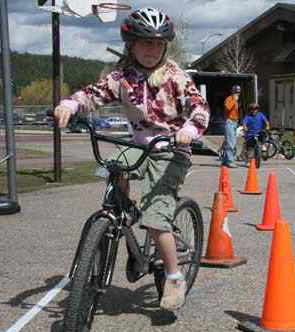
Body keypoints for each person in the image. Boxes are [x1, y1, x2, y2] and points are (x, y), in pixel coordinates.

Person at [53, 7, 210, 311]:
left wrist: (189, 128)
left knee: (156, 215)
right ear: (131, 45)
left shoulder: (175, 77)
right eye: (144, 43)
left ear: (165, 46)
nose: (152, 50)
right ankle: (123, 216)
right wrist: (69, 104)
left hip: (171, 150)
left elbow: (199, 106)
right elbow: (92, 94)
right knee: (111, 169)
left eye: (157, 44)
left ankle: (175, 277)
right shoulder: (122, 77)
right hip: (139, 144)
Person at [222, 84, 242, 168]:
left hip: (235, 122)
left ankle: (225, 161)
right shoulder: (229, 99)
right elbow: (228, 108)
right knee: (231, 143)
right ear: (232, 91)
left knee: (230, 142)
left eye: (238, 92)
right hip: (229, 122)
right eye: (235, 92)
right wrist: (234, 100)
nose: (237, 93)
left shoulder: (236, 101)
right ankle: (230, 161)